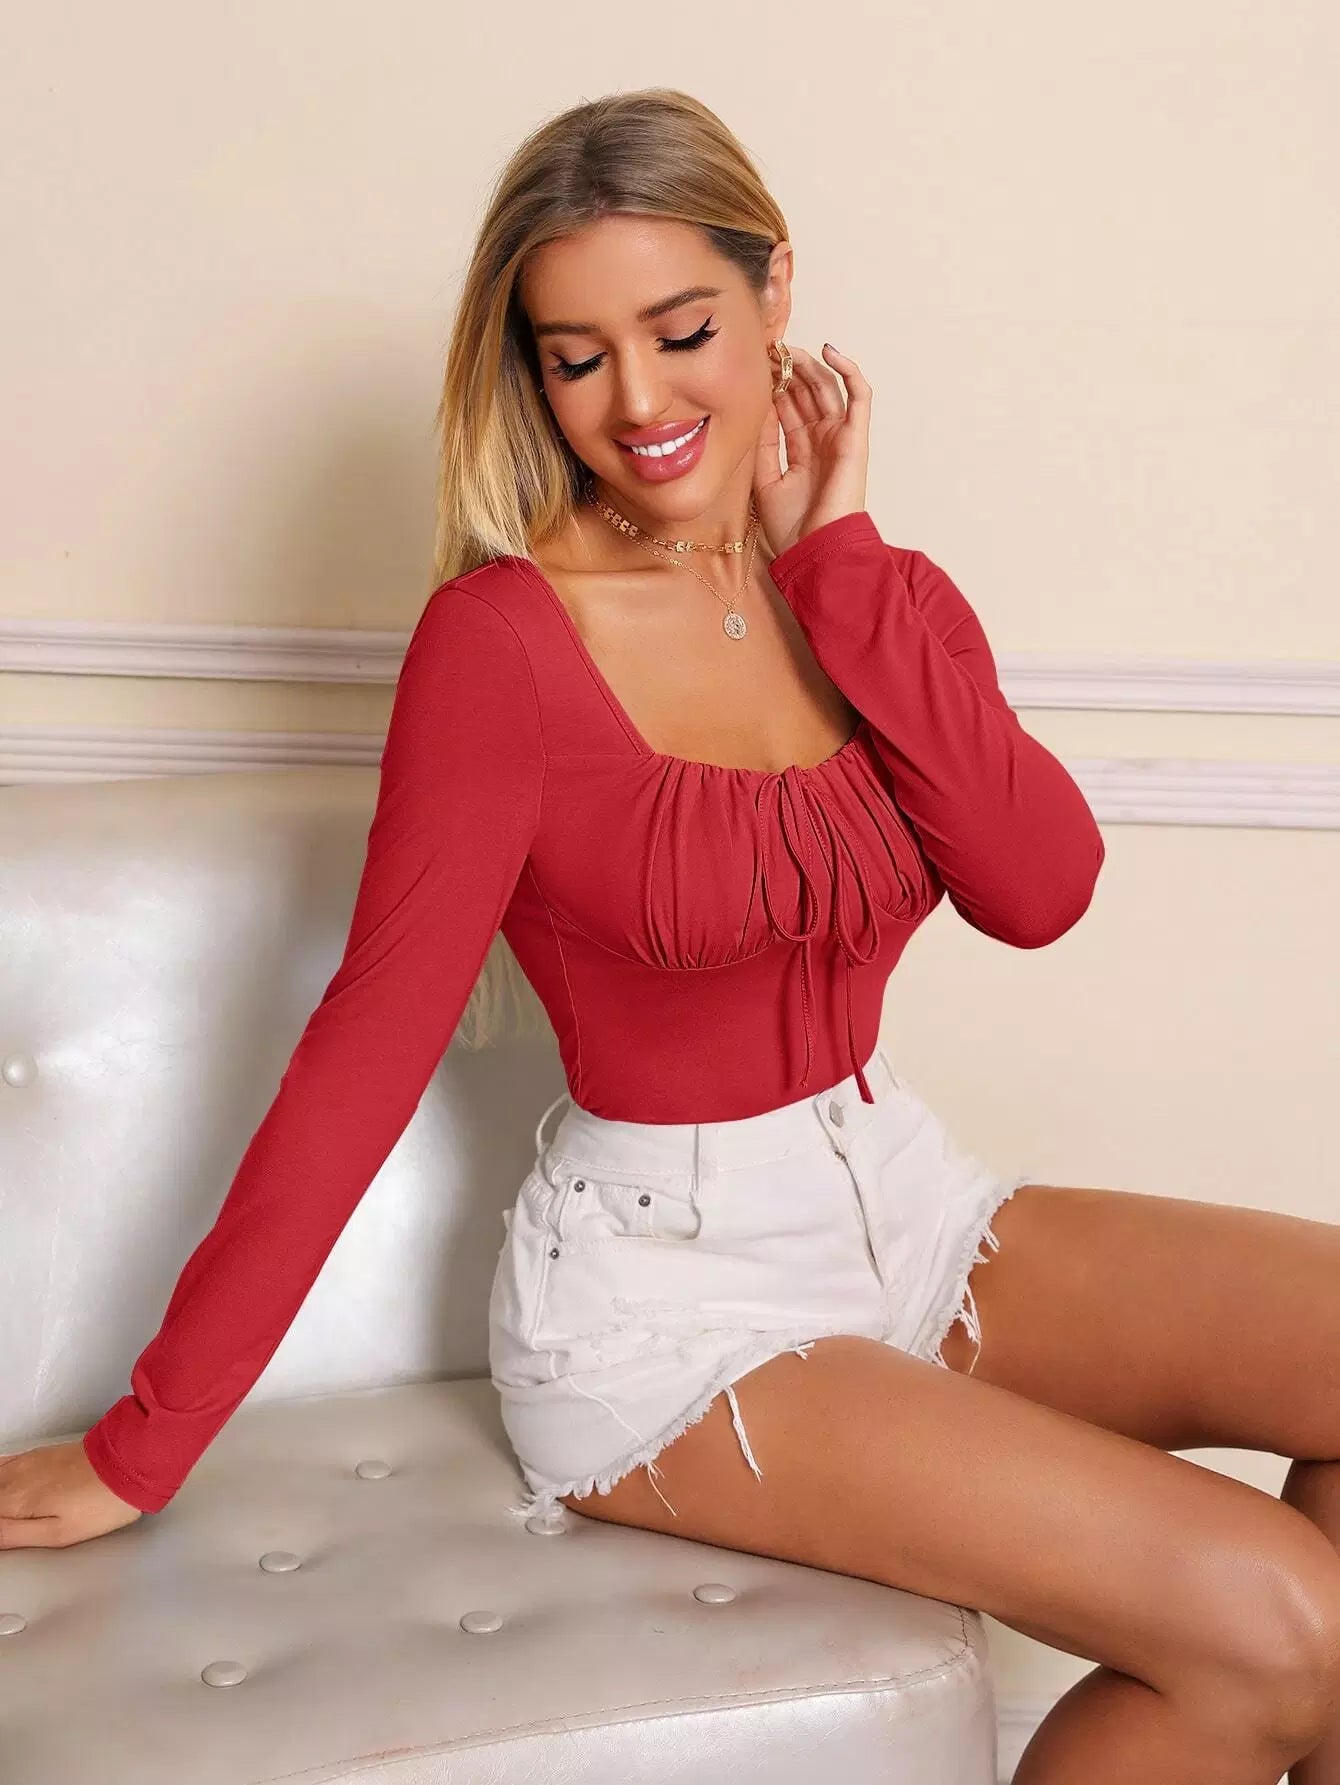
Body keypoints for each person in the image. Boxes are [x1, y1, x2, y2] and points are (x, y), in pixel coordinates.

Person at [4, 85, 1339, 1785]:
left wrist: (837, 562)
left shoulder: (870, 591)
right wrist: (143, 1440)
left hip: (909, 1203)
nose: (635, 401)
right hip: (669, 1307)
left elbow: (1042, 885)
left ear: (776, 290)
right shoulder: (501, 644)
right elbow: (366, 1047)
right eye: (575, 357)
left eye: (682, 330)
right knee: (1284, 1619)